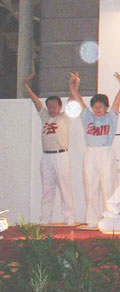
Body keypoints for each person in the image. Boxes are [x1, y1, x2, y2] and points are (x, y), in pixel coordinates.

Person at [69, 71, 120, 227]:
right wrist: (73, 85)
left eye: (101, 106)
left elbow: (117, 102)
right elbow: (79, 99)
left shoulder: (111, 117)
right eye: (95, 106)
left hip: (106, 152)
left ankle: (112, 218)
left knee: (109, 186)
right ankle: (92, 220)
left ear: (106, 107)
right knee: (91, 187)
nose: (98, 109)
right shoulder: (88, 116)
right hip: (91, 152)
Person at [23, 73, 75, 225]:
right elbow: (36, 101)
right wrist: (26, 86)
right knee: (47, 189)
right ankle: (45, 218)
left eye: (55, 106)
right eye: (49, 106)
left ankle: (69, 218)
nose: (52, 109)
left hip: (61, 155)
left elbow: (72, 99)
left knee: (65, 188)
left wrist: (73, 84)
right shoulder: (45, 116)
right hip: (46, 157)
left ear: (60, 107)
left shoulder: (65, 117)